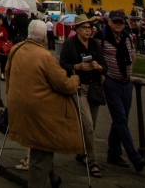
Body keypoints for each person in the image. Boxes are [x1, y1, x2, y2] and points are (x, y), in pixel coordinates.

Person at [6, 20, 85, 188]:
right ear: (44, 37)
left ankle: (54, 177)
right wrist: (75, 80)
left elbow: (7, 74)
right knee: (41, 150)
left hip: (19, 105)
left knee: (41, 145)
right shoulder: (45, 56)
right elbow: (63, 84)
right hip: (40, 111)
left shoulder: (16, 49)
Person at [58, 15, 105, 179]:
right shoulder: (70, 45)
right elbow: (62, 64)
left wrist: (99, 67)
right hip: (79, 88)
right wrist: (77, 66)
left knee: (91, 124)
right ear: (76, 29)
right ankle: (93, 162)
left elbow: (103, 64)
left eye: (89, 28)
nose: (88, 30)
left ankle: (81, 151)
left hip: (94, 88)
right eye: (84, 27)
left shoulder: (94, 44)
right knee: (88, 124)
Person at [99, 10, 145, 172]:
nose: (119, 24)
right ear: (109, 22)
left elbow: (133, 55)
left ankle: (113, 153)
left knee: (122, 118)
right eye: (116, 22)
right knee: (120, 119)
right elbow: (97, 57)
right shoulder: (102, 37)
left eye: (121, 22)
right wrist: (102, 75)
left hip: (126, 83)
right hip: (111, 82)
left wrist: (130, 70)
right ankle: (134, 156)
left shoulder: (128, 37)